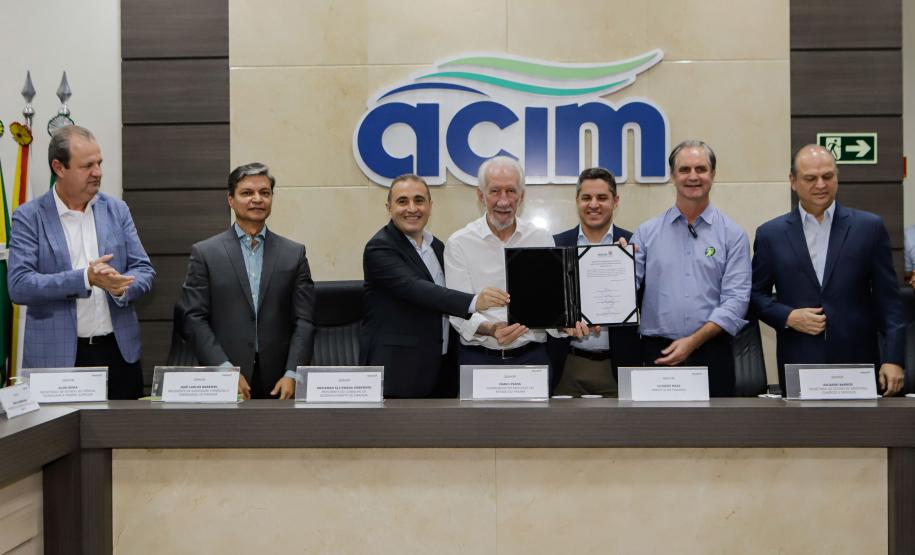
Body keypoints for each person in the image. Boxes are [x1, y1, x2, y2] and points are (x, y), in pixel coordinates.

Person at [8, 125, 155, 399]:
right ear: (59, 168)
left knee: (121, 438)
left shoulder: (116, 210)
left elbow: (144, 270)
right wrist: (85, 278)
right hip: (57, 359)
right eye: (87, 165)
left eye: (99, 163)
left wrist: (120, 287)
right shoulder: (29, 217)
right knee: (57, 443)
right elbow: (19, 285)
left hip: (118, 354)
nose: (97, 172)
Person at [750, 144, 905, 396]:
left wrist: (895, 358)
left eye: (828, 176)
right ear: (793, 181)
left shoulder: (869, 227)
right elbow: (755, 296)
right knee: (803, 435)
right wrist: (788, 317)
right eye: (810, 178)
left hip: (858, 362)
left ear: (837, 177)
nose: (820, 184)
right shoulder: (771, 235)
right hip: (799, 360)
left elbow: (890, 301)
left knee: (861, 435)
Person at [361, 174, 508, 397]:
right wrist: (474, 300)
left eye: (419, 200)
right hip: (399, 372)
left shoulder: (437, 247)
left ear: (430, 206)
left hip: (442, 368)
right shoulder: (379, 248)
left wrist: (490, 328)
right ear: (388, 207)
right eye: (402, 201)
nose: (412, 208)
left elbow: (446, 305)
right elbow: (417, 289)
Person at [180, 163, 315, 400]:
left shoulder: (293, 254)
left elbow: (304, 320)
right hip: (223, 377)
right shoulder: (205, 253)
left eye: (265, 193)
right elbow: (193, 318)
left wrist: (293, 374)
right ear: (230, 200)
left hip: (280, 380)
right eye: (247, 193)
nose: (257, 199)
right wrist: (224, 370)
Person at [444, 156, 590, 372]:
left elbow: (551, 305)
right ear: (480, 195)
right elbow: (457, 310)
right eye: (495, 191)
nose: (503, 200)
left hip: (532, 358)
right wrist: (492, 329)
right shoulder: (459, 243)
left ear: (521, 196)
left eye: (511, 191)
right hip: (478, 360)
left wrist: (566, 325)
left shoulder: (541, 239)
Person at [630, 140, 751, 397]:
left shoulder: (733, 235)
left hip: (712, 351)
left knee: (712, 434)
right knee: (657, 433)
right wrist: (615, 261)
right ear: (673, 176)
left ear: (713, 175)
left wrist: (693, 341)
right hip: (657, 352)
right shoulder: (646, 233)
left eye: (701, 169)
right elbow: (625, 289)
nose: (693, 176)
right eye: (684, 170)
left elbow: (736, 300)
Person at [549, 167, 637, 397]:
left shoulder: (633, 245)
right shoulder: (555, 245)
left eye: (602, 198)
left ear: (615, 201)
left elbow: (648, 302)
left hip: (617, 366)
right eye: (586, 198)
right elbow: (548, 306)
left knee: (619, 433)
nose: (594, 204)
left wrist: (630, 269)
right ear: (576, 201)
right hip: (567, 364)